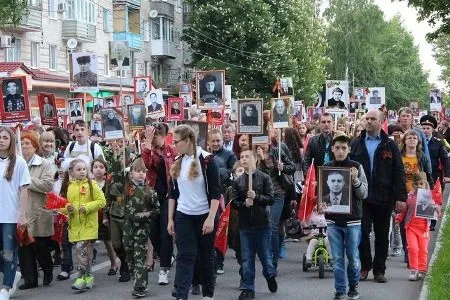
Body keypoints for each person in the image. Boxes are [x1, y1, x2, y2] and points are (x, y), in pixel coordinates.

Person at [350, 109, 407, 283]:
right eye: (367, 118)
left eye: (373, 119)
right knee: (362, 233)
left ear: (381, 121)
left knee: (382, 235)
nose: (369, 121)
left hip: (384, 196)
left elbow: (398, 171)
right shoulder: (356, 143)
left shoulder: (389, 145)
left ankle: (379, 270)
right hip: (362, 196)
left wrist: (400, 197)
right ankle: (365, 266)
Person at [167, 125, 221, 300]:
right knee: (185, 255)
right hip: (184, 215)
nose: (174, 145)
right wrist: (170, 219)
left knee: (206, 256)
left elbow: (215, 192)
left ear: (188, 140)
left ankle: (208, 294)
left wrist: (211, 218)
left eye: (177, 142)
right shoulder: (177, 161)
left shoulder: (207, 160)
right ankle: (181, 295)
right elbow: (173, 194)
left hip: (205, 214)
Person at [324, 133, 368, 300]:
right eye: (337, 148)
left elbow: (364, 194)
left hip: (353, 221)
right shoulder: (326, 167)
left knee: (352, 256)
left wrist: (355, 180)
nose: (340, 151)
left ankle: (353, 285)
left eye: (344, 148)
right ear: (332, 149)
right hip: (333, 220)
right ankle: (340, 290)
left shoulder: (356, 166)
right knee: (336, 259)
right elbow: (322, 195)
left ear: (349, 149)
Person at [231, 150, 277, 300]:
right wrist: (244, 203)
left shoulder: (264, 178)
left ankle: (269, 275)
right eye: (241, 157)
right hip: (245, 226)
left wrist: (256, 197)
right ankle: (248, 288)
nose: (244, 159)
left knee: (265, 257)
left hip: (262, 224)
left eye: (247, 157)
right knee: (247, 258)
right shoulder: (238, 182)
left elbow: (271, 198)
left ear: (255, 159)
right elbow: (235, 203)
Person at [56, 159, 106, 291]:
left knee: (80, 249)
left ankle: (80, 277)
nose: (82, 172)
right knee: (82, 251)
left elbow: (102, 201)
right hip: (75, 225)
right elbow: (62, 206)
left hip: (89, 225)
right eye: (78, 169)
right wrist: (68, 208)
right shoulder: (69, 186)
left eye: (84, 169)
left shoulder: (92, 184)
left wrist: (88, 207)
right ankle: (89, 276)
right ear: (71, 172)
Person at [17, 131, 55, 290]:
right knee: (24, 248)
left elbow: (47, 185)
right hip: (21, 211)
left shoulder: (44, 164)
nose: (25, 146)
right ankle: (30, 279)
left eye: (28, 143)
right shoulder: (17, 164)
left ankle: (47, 270)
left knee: (40, 246)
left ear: (35, 146)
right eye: (23, 143)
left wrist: (27, 179)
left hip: (38, 211)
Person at [255, 130, 295, 272]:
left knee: (272, 226)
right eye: (259, 141)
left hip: (277, 194)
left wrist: (282, 167)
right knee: (264, 227)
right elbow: (259, 177)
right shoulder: (253, 156)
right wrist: (259, 160)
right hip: (261, 196)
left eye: (264, 141)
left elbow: (292, 167)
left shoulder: (277, 152)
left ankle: (273, 261)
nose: (262, 144)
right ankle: (266, 255)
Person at [141, 123, 176, 285]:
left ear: (163, 136)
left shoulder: (172, 151)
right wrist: (147, 144)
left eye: (155, 136)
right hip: (153, 196)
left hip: (169, 196)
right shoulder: (149, 150)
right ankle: (166, 255)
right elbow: (146, 164)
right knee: (153, 232)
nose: (152, 139)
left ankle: (164, 269)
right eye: (151, 136)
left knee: (165, 232)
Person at [0, 127, 30, 299]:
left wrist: (23, 215)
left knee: (9, 252)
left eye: (5, 137)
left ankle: (6, 287)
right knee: (3, 255)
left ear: (11, 140)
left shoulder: (19, 162)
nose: (2, 140)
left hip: (10, 216)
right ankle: (12, 274)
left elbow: (24, 190)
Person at [123, 158, 159, 297]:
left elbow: (157, 210)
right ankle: (136, 277)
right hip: (128, 229)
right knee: (129, 255)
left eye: (143, 171)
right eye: (137, 171)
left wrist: (147, 214)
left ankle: (140, 286)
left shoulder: (150, 192)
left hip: (141, 229)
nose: (140, 174)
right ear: (131, 174)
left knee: (139, 257)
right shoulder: (126, 189)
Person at [396, 172, 440, 281]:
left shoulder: (430, 197)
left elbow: (436, 210)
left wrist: (437, 208)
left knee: (423, 250)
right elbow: (404, 210)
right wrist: (398, 219)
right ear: (414, 185)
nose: (419, 186)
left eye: (422, 183)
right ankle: (413, 269)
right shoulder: (410, 196)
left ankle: (421, 269)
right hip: (411, 227)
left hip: (424, 228)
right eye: (417, 184)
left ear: (426, 184)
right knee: (412, 248)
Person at [91, 159, 118, 278]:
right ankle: (87, 267)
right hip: (92, 216)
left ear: (105, 170)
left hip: (105, 217)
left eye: (101, 167)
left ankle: (114, 264)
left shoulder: (108, 184)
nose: (98, 169)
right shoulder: (89, 184)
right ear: (91, 170)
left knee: (108, 242)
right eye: (95, 167)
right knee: (89, 242)